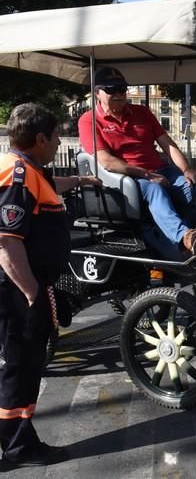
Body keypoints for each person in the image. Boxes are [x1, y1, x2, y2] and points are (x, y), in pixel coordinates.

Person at [0, 103, 100, 468]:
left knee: (24, 364)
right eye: (56, 136)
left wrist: (81, 181)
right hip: (16, 290)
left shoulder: (28, 170)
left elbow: (49, 186)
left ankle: (17, 437)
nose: (60, 142)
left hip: (26, 286)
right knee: (20, 365)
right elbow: (7, 243)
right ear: (40, 138)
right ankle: (17, 447)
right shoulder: (17, 177)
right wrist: (32, 294)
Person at [78, 67, 196, 257]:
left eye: (122, 89)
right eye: (111, 90)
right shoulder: (89, 120)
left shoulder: (142, 112)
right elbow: (106, 161)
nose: (118, 94)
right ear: (96, 93)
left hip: (161, 170)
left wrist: (187, 169)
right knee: (154, 190)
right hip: (128, 178)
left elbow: (168, 144)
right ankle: (185, 238)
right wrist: (147, 175)